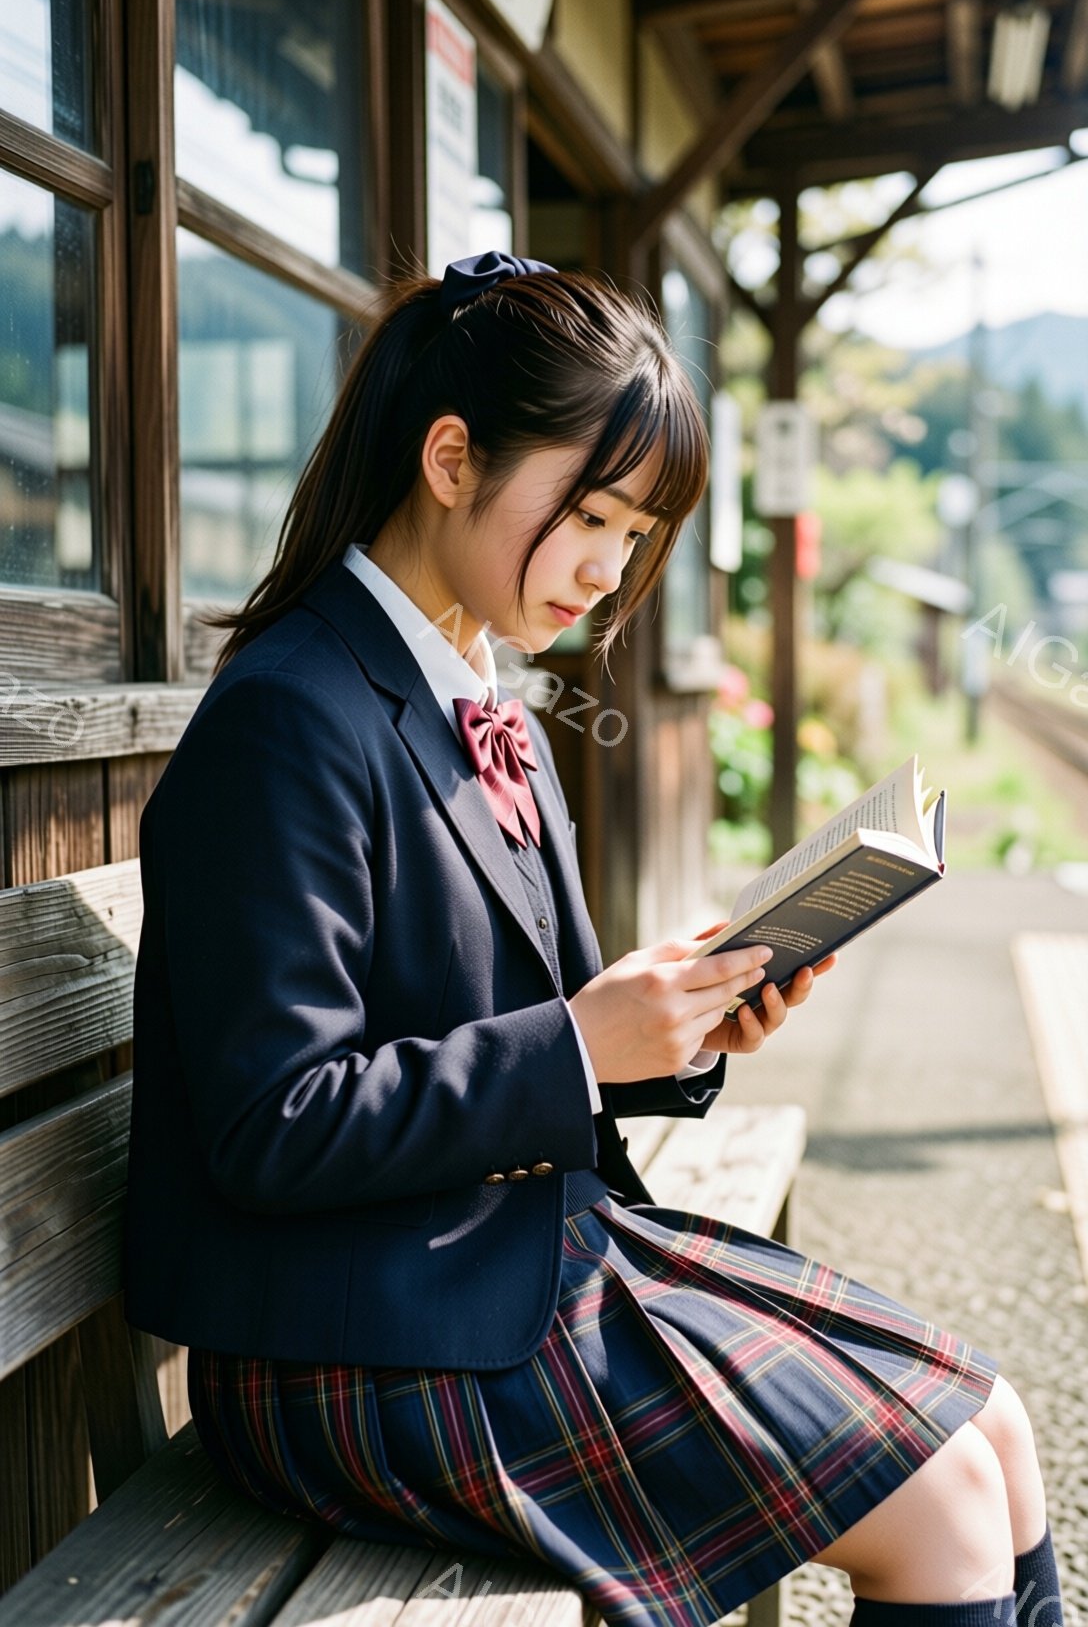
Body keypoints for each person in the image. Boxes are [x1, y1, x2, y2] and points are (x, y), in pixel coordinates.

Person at [121, 252, 1063, 1627]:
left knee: (995, 1430)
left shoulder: (476, 690)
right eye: (594, 519)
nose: (607, 574)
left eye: (635, 537)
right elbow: (278, 1123)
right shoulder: (289, 716)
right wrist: (580, 1041)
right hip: (344, 1342)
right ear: (452, 459)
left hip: (496, 1264)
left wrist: (682, 1028)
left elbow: (538, 1028)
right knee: (945, 1510)